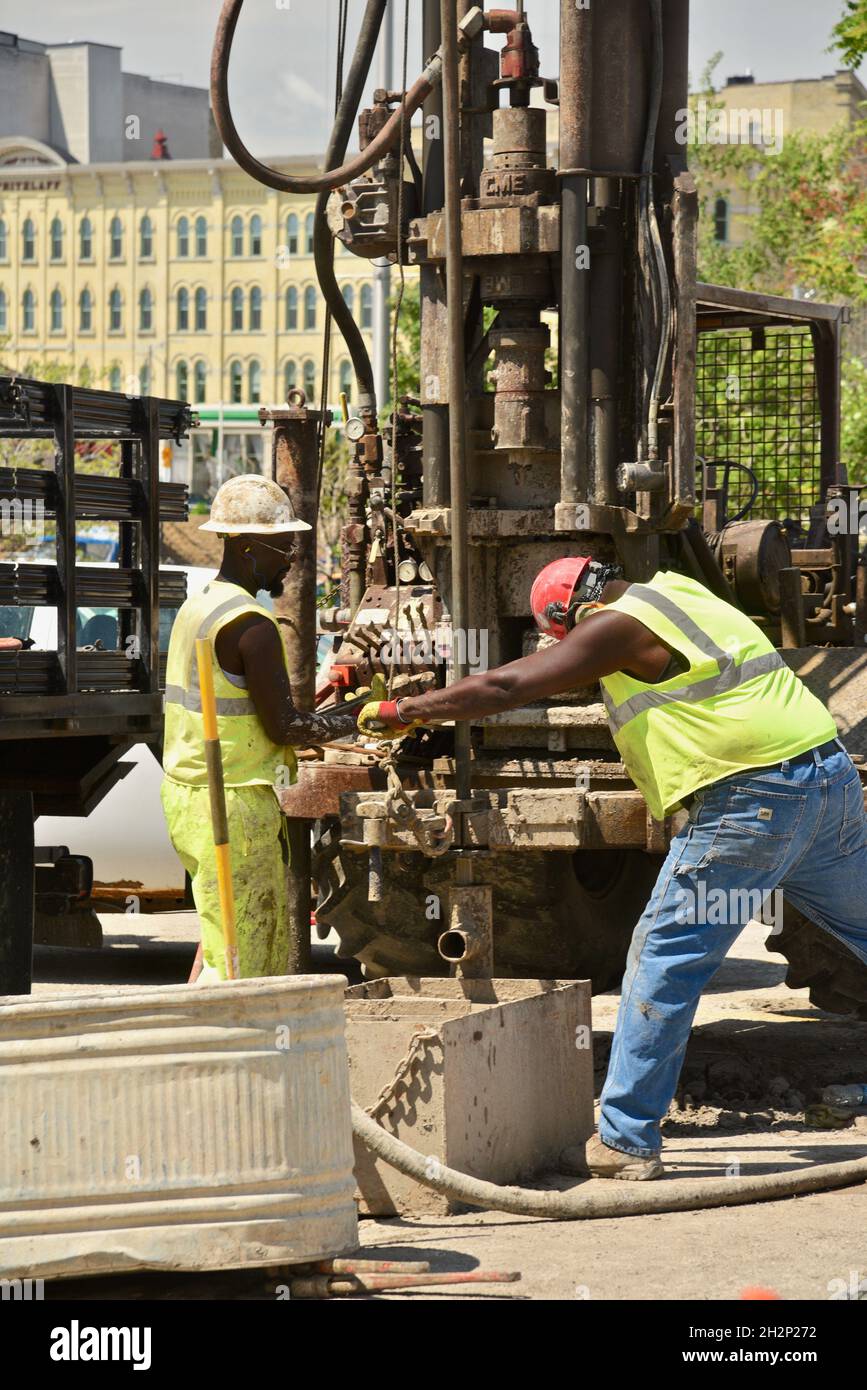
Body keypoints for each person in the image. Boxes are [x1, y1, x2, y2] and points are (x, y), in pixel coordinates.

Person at [359, 557, 867, 1179]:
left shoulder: (617, 624)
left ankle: (626, 1140)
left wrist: (402, 711)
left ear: (577, 612)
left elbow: (505, 688)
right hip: (827, 779)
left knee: (664, 956)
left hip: (753, 803)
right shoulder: (677, 591)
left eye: (566, 638)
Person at [162, 475, 360, 984]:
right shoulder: (251, 624)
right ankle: (223, 1054)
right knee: (243, 955)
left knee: (224, 940)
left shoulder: (200, 604)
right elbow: (288, 727)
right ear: (247, 547)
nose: (292, 559)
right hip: (234, 803)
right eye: (284, 547)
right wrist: (366, 716)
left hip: (191, 795)